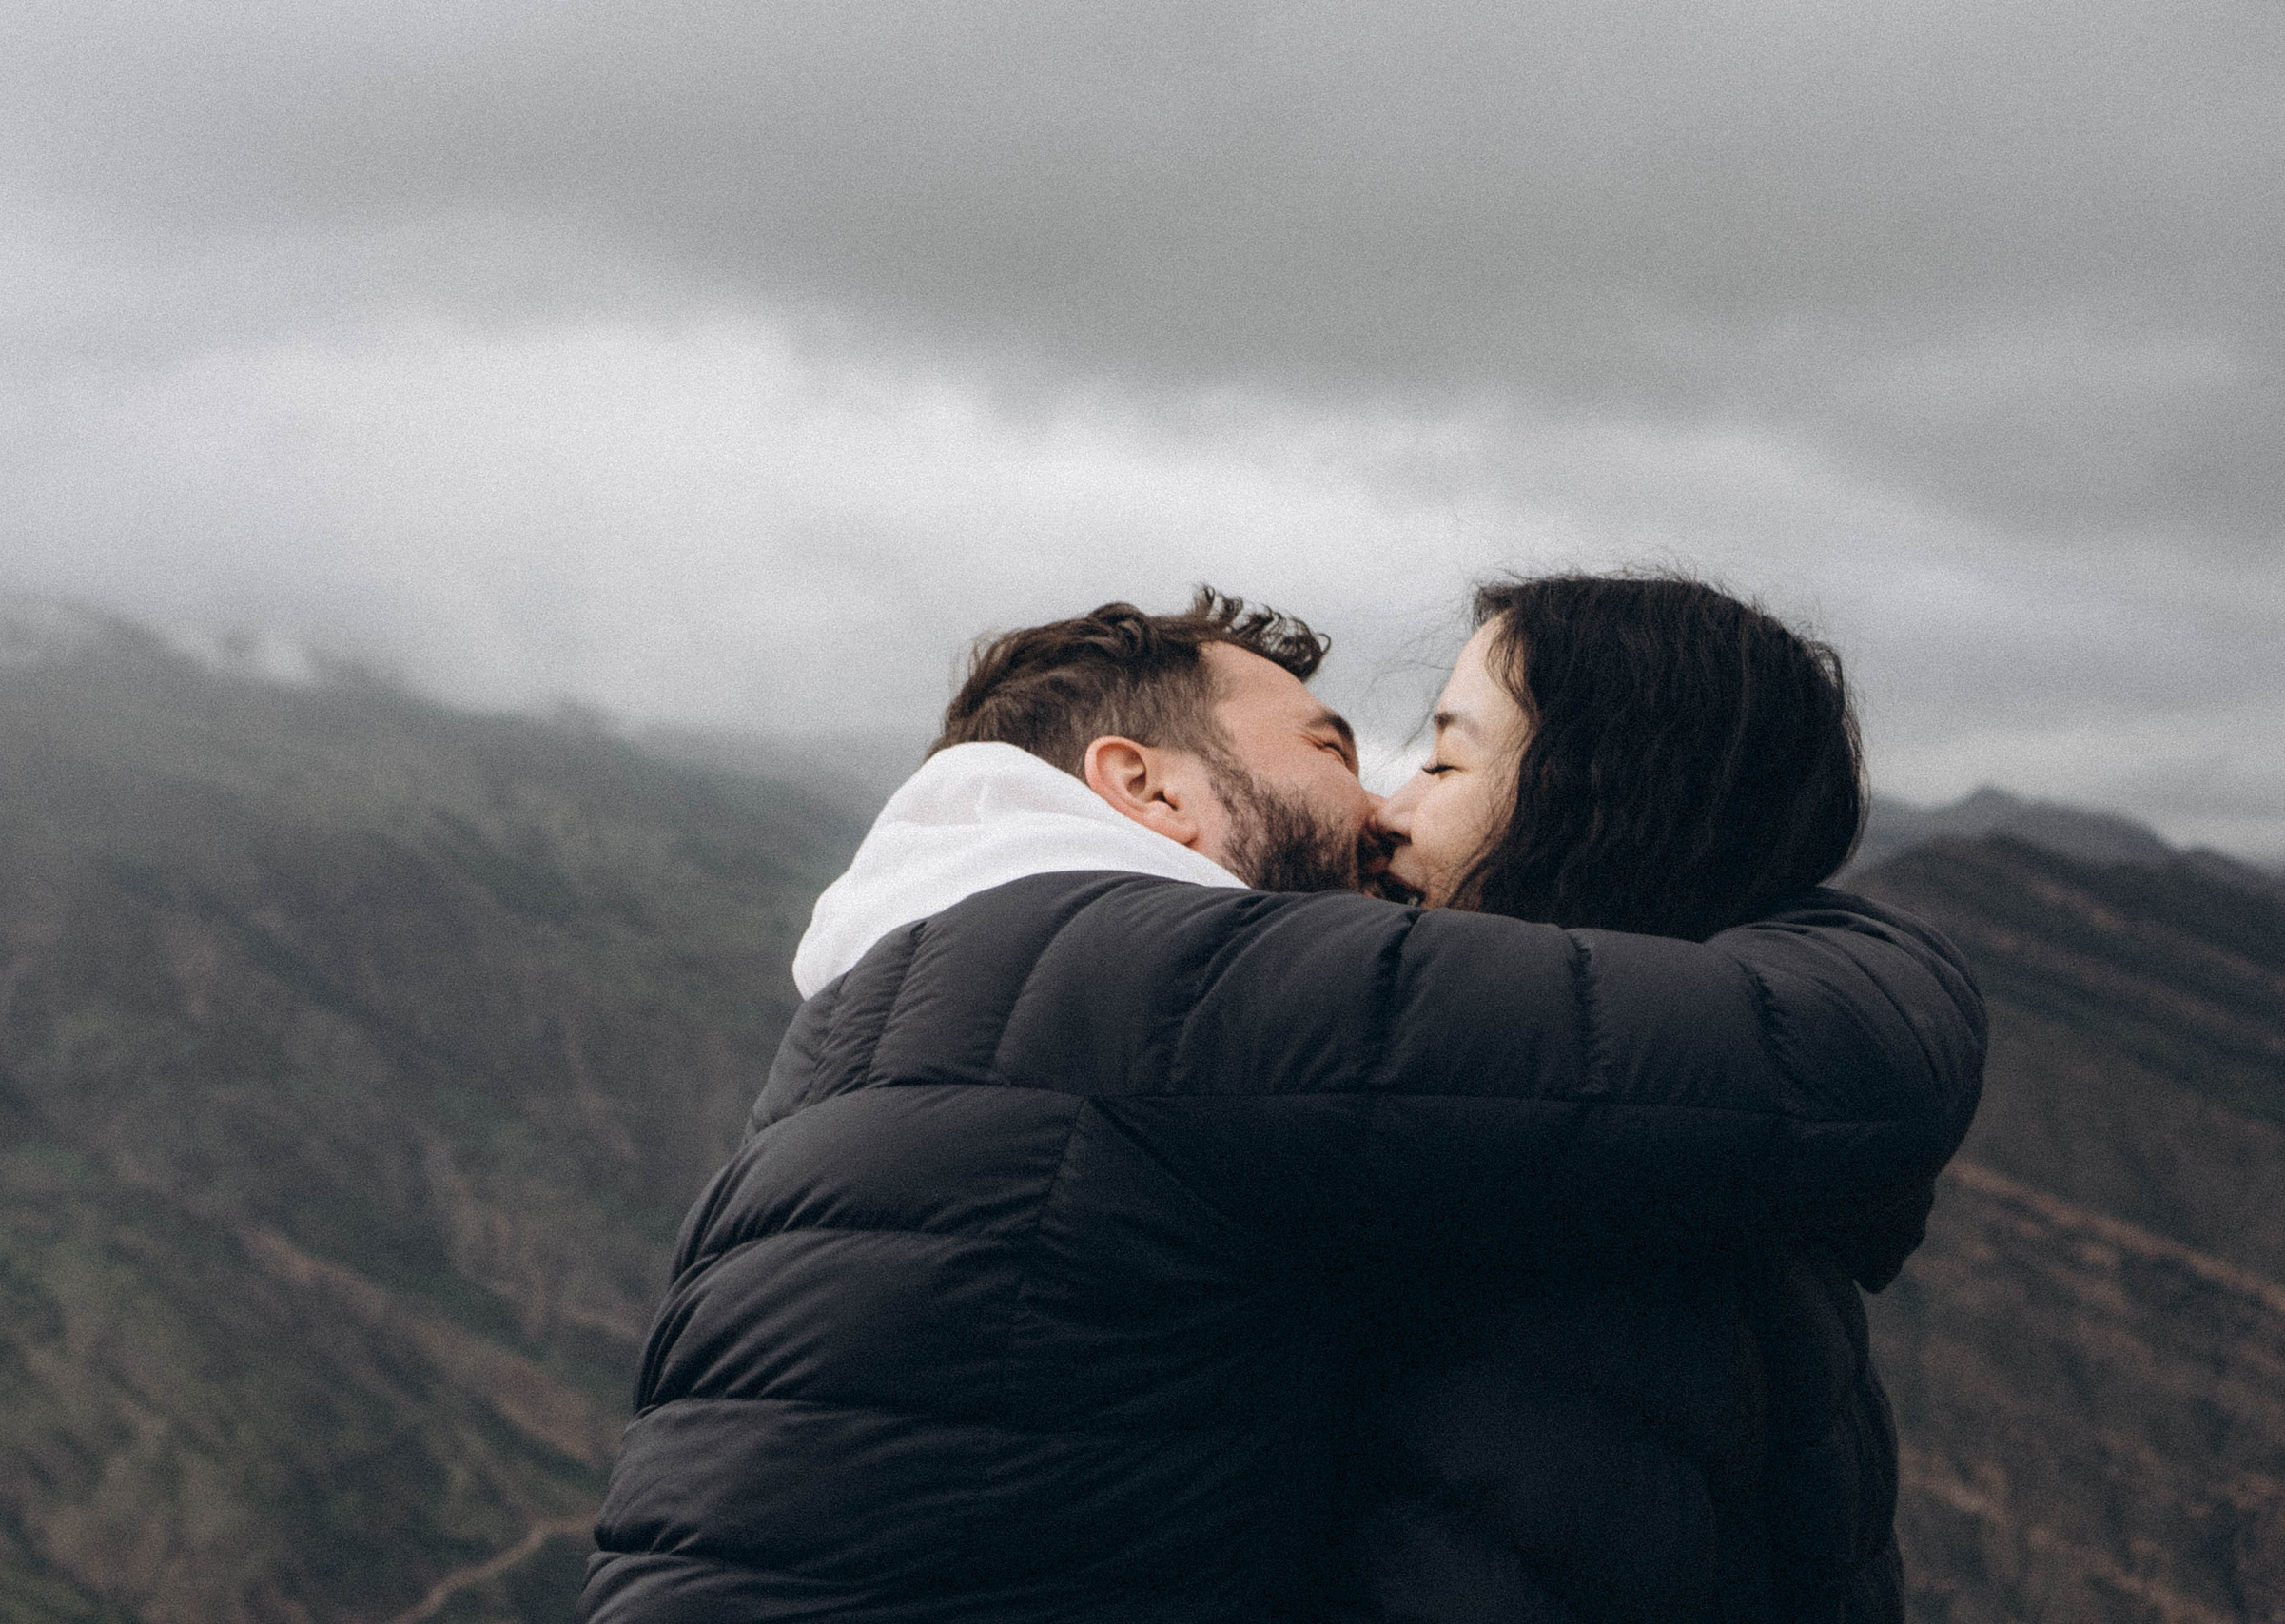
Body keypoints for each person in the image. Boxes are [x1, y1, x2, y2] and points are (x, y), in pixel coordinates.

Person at [582, 585, 1984, 1624]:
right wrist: (1829, 921)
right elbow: (1835, 1063)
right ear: (1144, 785)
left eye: (1438, 758)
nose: (1377, 809)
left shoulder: (893, 1007)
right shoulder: (1157, 983)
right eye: (1329, 748)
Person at [1334, 574, 1928, 1621]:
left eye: (1445, 760)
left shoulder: (1575, 1264)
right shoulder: (1701, 1177)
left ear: (1605, 806)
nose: (1390, 810)